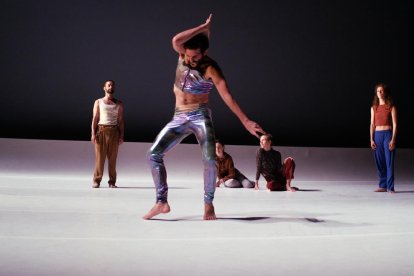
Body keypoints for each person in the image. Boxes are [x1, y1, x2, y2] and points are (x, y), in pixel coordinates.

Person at [143, 14, 265, 220]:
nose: (190, 60)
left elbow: (227, 96)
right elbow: (175, 40)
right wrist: (203, 27)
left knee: (209, 161)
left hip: (200, 115)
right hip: (179, 116)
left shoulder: (211, 68)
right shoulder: (183, 54)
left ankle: (209, 204)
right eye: (188, 56)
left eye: (195, 57)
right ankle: (161, 202)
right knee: (153, 154)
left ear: (205, 53)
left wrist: (245, 120)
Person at [91, 80, 124, 188]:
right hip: (101, 131)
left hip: (114, 132)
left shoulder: (118, 103)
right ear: (104, 88)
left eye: (112, 85)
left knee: (112, 159)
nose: (111, 87)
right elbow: (95, 118)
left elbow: (120, 120)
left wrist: (121, 136)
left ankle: (112, 182)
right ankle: (97, 180)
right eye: (109, 85)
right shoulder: (98, 102)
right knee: (100, 159)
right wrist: (92, 134)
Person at [370, 83, 397, 193]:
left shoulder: (391, 106)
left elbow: (395, 124)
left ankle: (390, 187)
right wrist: (371, 139)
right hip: (377, 135)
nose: (379, 93)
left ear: (385, 92)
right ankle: (383, 185)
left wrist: (393, 139)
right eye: (377, 91)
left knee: (389, 161)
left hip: (387, 134)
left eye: (381, 91)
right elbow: (372, 124)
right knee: (379, 161)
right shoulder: (374, 108)